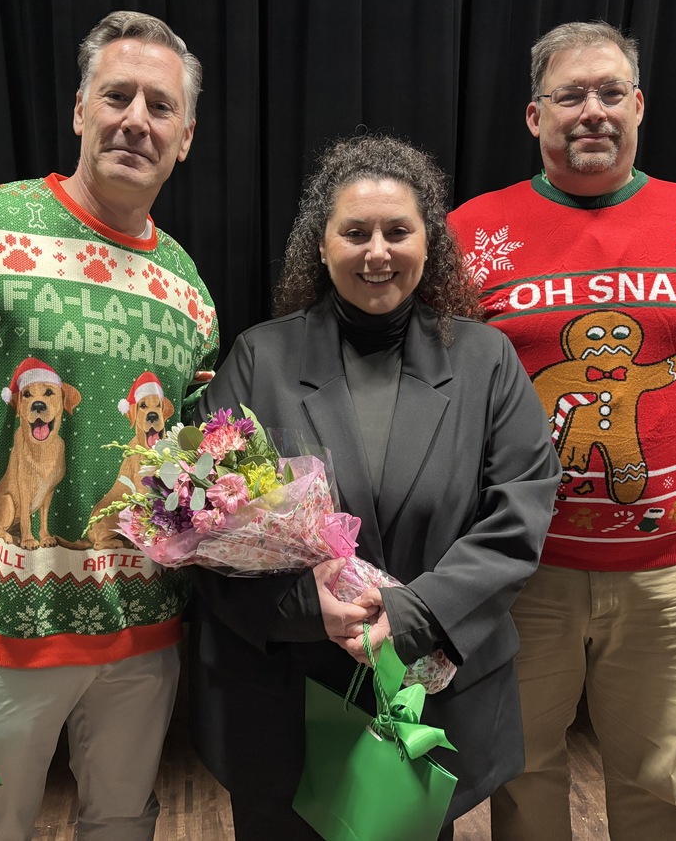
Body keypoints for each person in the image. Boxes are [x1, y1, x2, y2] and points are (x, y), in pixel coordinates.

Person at [0, 11, 218, 841]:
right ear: (79, 110)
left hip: (142, 629)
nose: (137, 119)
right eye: (117, 95)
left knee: (125, 824)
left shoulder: (188, 287)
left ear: (187, 136)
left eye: (160, 106)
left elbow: (193, 462)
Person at [448, 21, 676, 840]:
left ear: (639, 106)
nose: (593, 111)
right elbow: (443, 397)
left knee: (657, 780)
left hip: (667, 576)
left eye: (611, 92)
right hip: (518, 574)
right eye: (570, 95)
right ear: (534, 117)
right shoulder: (473, 234)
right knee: (521, 771)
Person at [187, 134, 562, 839]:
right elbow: (204, 528)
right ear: (320, 244)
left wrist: (414, 613)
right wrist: (304, 605)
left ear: (431, 242)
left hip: (424, 697)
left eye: (398, 230)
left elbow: (522, 508)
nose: (377, 251)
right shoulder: (258, 356)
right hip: (284, 694)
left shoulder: (485, 360)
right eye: (354, 232)